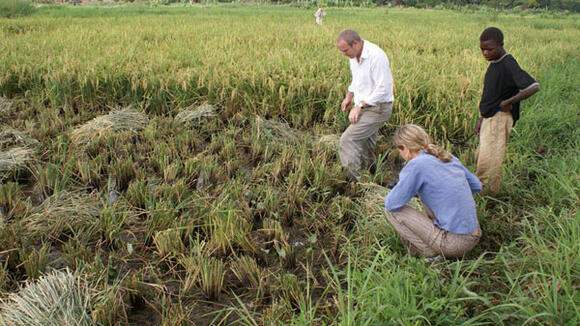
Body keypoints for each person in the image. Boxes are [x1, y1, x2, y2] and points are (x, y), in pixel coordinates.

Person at [384, 124, 482, 259]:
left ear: (405, 148)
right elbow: (477, 186)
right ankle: (439, 239)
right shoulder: (448, 157)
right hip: (474, 234)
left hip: (454, 244)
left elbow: (392, 203)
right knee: (429, 192)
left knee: (392, 212)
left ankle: (428, 253)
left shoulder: (416, 165)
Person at [475, 27, 540, 196]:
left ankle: (488, 197)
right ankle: (481, 194)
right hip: (489, 117)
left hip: (499, 118)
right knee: (482, 159)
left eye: (490, 49)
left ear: (501, 45)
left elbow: (533, 86)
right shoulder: (495, 64)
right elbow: (491, 94)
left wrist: (508, 102)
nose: (485, 53)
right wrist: (481, 118)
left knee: (490, 162)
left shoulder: (507, 63)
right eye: (482, 49)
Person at [336, 29, 394, 182]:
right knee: (366, 143)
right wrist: (349, 96)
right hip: (366, 106)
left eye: (345, 50)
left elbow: (384, 89)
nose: (344, 54)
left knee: (348, 140)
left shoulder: (376, 56)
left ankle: (352, 182)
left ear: (356, 43)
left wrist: (360, 106)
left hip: (378, 108)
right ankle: (373, 176)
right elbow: (357, 80)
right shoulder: (354, 56)